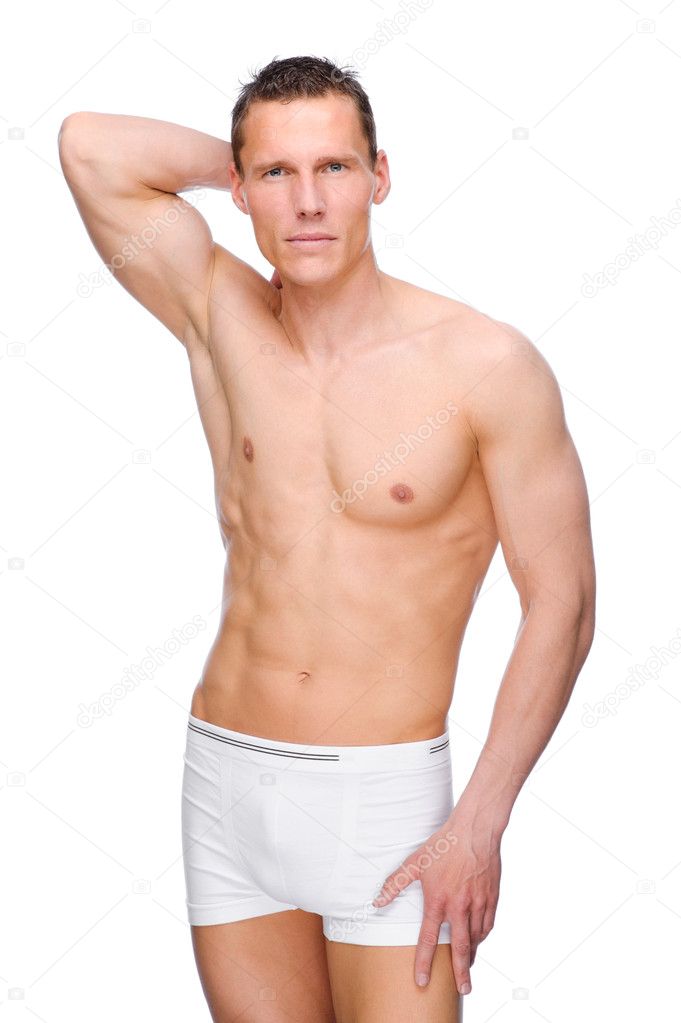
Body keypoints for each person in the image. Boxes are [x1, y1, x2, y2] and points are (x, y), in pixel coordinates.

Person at [58, 54, 596, 1023]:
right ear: (241, 188)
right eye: (276, 174)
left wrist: (479, 822)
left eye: (335, 170)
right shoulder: (218, 312)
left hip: (386, 807)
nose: (307, 202)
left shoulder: (486, 365)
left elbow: (565, 600)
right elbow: (87, 148)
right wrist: (231, 165)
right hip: (226, 784)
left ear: (379, 178)